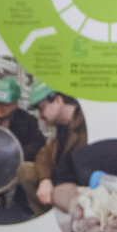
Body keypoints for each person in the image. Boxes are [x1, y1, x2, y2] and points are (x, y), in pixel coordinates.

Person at [18, 82, 88, 214]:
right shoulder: (63, 128)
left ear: (58, 101)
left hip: (80, 191)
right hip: (61, 184)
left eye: (41, 108)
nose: (39, 115)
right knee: (25, 169)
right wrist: (45, 180)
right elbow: (43, 155)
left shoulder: (85, 128)